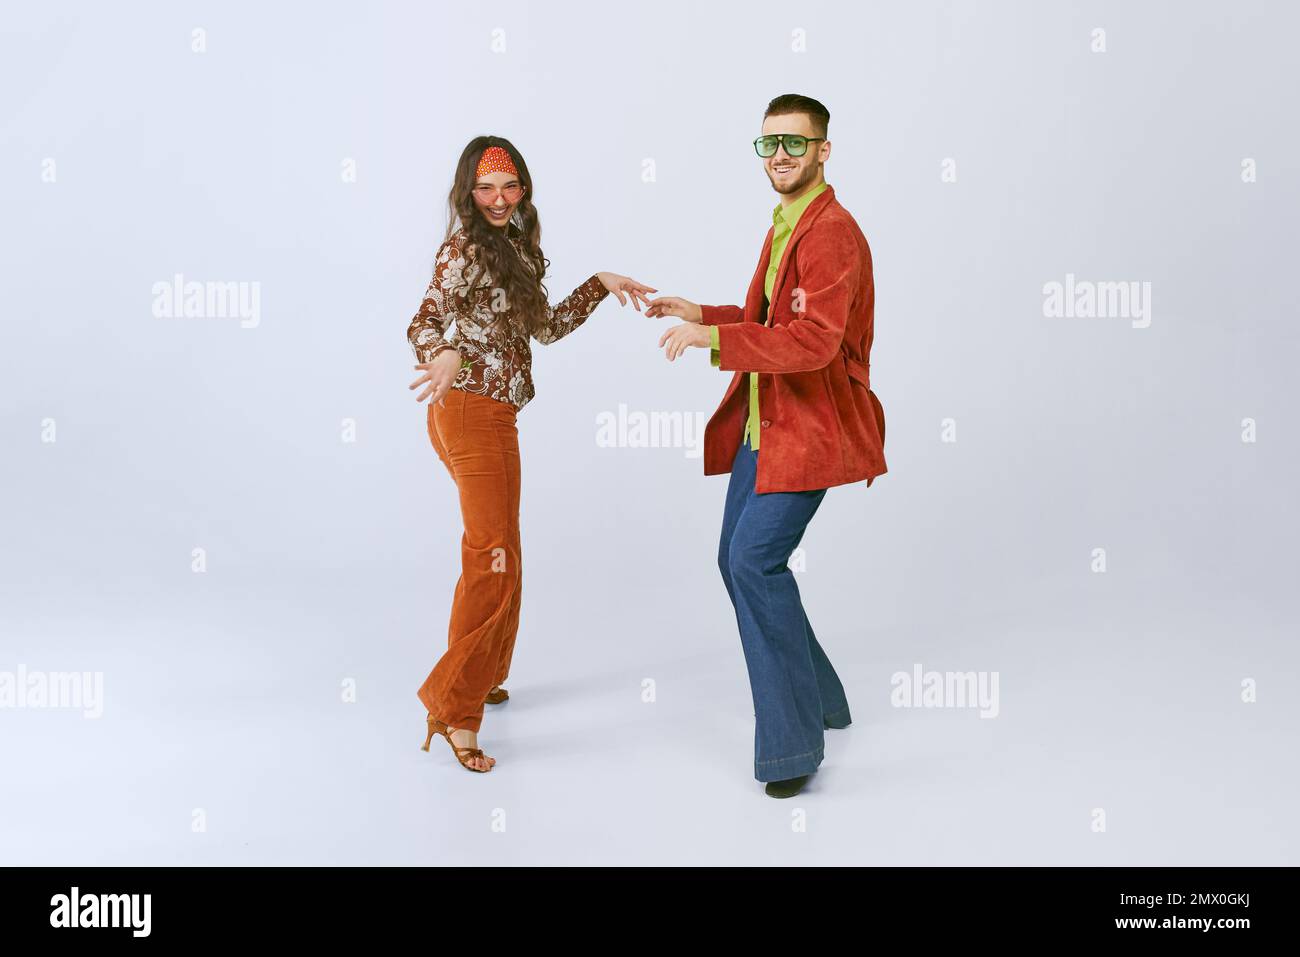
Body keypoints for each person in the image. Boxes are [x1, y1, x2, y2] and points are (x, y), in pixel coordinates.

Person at [646, 94, 886, 798]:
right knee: (736, 558)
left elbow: (814, 343)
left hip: (805, 431)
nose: (779, 155)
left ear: (824, 151)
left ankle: (791, 750)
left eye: (793, 143)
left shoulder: (832, 231)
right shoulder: (788, 222)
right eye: (768, 145)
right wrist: (706, 313)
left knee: (755, 561)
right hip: (763, 425)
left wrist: (714, 340)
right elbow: (768, 319)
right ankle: (828, 700)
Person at [407, 136, 655, 772]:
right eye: (486, 187)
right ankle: (456, 713)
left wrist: (599, 284)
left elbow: (546, 329)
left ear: (523, 190)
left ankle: (484, 675)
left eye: (509, 186)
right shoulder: (461, 249)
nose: (497, 198)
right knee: (490, 560)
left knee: (502, 551)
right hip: (465, 411)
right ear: (468, 191)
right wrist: (444, 353)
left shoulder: (517, 247)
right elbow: (424, 319)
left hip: (498, 417)